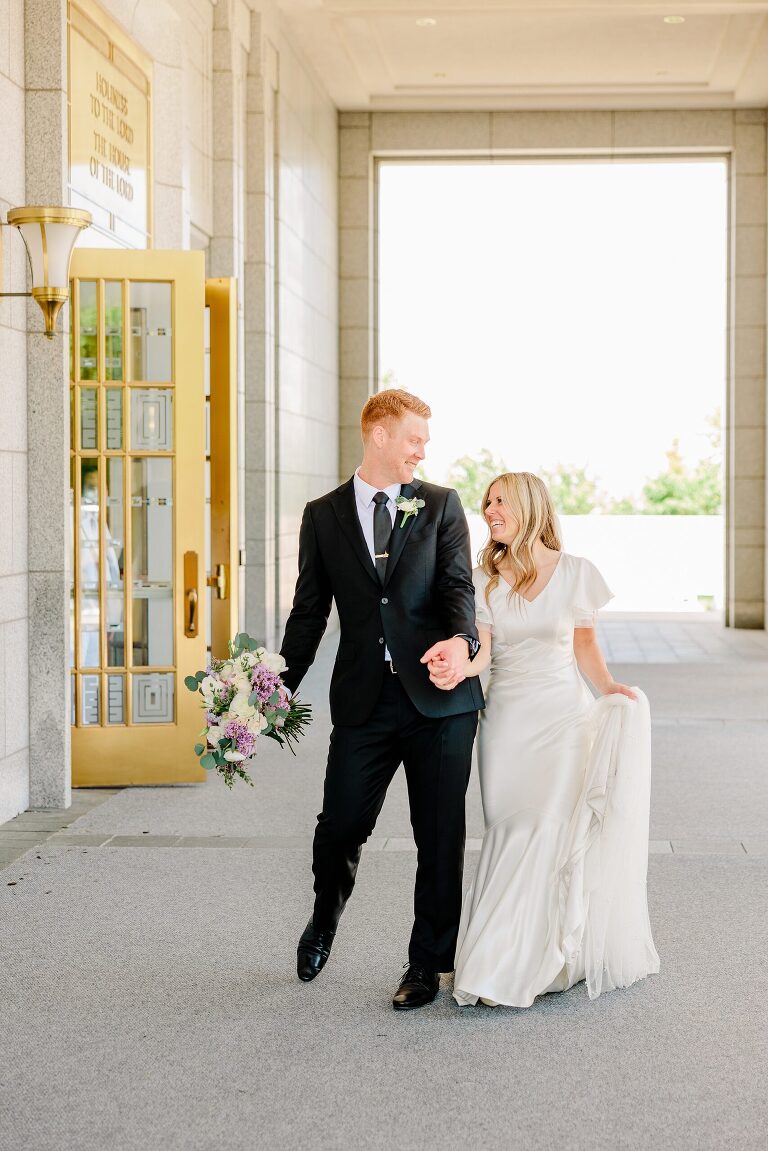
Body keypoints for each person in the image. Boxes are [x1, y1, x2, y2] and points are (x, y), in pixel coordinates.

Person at [279, 389, 485, 1011]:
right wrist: (273, 691)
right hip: (365, 701)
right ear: (378, 435)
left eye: (425, 441)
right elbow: (310, 611)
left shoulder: (442, 505)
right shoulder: (323, 516)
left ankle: (426, 964)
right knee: (340, 824)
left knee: (440, 836)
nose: (423, 451)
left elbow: (457, 587)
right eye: (414, 439)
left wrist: (461, 640)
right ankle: (324, 919)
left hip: (441, 700)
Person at [428, 472, 660, 1007]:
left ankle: (529, 962)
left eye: (499, 500)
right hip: (506, 723)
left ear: (530, 505)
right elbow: (483, 654)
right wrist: (457, 666)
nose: (488, 510)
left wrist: (609, 689)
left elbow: (585, 647)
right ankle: (500, 956)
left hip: (562, 720)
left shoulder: (577, 573)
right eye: (486, 502)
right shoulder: (485, 577)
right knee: (509, 829)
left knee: (547, 828)